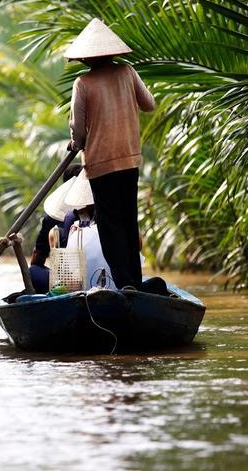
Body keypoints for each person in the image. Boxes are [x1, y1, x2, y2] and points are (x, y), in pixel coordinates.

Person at [65, 17, 157, 292]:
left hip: (100, 164)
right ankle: (135, 284)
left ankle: (126, 284)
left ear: (85, 58)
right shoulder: (127, 72)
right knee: (129, 219)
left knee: (109, 225)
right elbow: (149, 104)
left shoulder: (83, 83)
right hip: (129, 158)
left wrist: (75, 143)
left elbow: (78, 129)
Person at [29, 164, 82, 293]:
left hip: (67, 283)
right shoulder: (102, 212)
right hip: (102, 276)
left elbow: (37, 258)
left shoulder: (52, 219)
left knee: (33, 271)